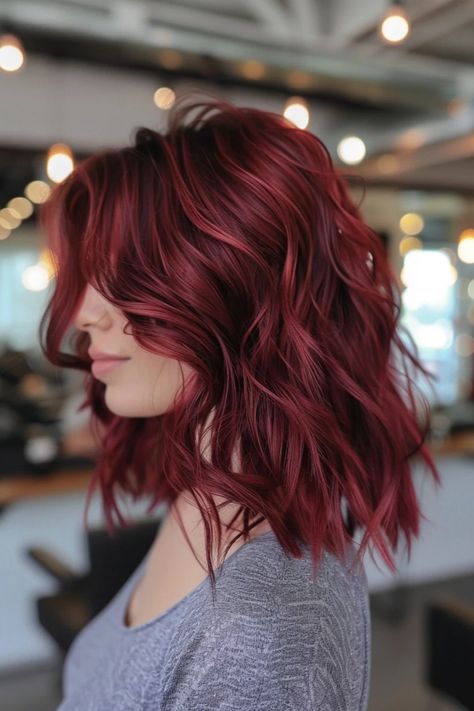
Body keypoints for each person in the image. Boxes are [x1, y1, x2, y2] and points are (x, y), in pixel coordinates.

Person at [38, 93, 441, 710]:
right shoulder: (206, 502)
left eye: (123, 275)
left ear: (232, 287)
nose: (83, 313)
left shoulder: (265, 647)